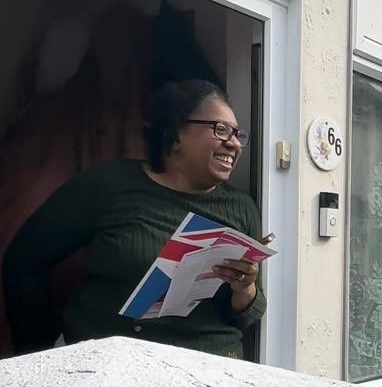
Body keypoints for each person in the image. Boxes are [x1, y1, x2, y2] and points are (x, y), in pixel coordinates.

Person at [3, 79, 265, 358]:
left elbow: (250, 314)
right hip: (109, 367)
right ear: (174, 134)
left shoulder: (241, 207)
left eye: (238, 135)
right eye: (220, 129)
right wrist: (36, 356)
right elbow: (25, 260)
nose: (234, 144)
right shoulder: (109, 184)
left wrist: (244, 287)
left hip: (208, 371)